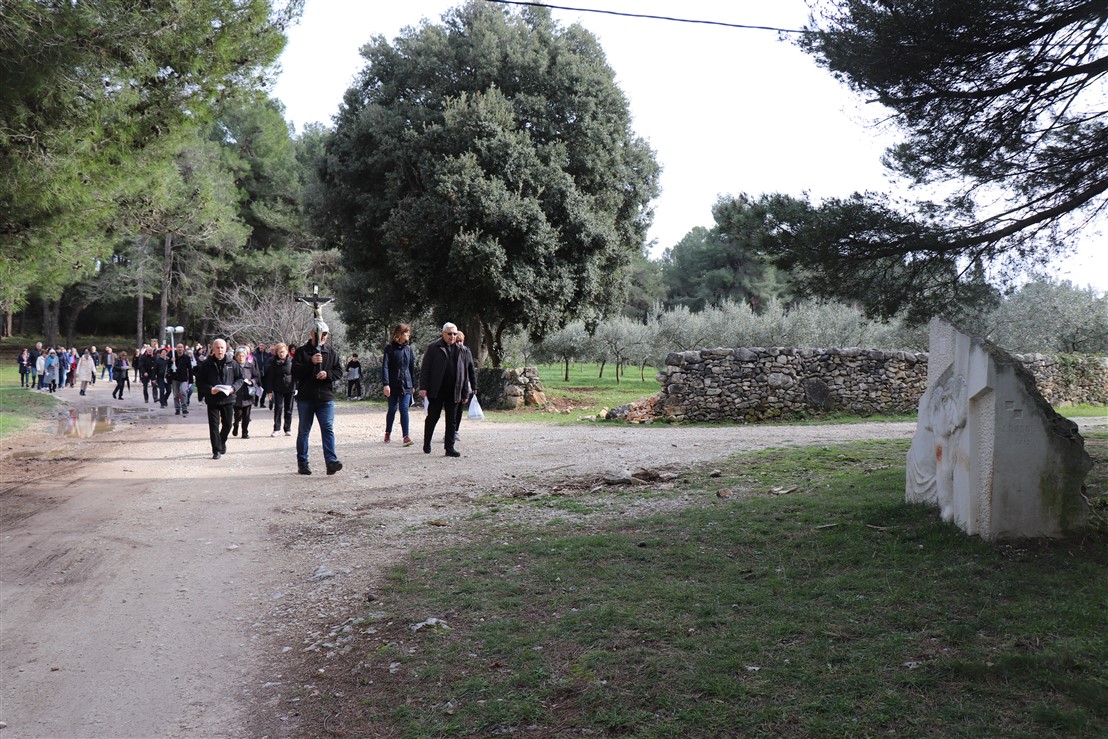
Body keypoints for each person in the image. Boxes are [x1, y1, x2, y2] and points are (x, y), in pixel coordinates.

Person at [292, 322, 343, 475]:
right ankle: (302, 463)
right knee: (304, 431)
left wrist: (328, 374)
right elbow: (295, 372)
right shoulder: (301, 352)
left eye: (325, 334)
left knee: (327, 428)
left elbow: (339, 371)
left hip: (325, 398)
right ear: (312, 334)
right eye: (320, 333)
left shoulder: (331, 352)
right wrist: (311, 362)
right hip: (306, 397)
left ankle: (331, 462)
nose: (323, 337)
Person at [418, 322, 468, 457]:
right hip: (437, 390)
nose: (452, 336)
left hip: (454, 390)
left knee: (452, 420)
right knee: (433, 417)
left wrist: (465, 392)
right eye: (450, 333)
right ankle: (427, 442)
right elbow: (425, 369)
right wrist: (423, 387)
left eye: (455, 334)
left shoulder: (461, 350)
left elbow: (464, 372)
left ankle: (449, 447)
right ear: (443, 333)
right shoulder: (433, 347)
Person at [196, 339, 243, 460]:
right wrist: (210, 389)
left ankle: (221, 441)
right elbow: (199, 382)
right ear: (213, 349)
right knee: (214, 426)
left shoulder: (232, 363)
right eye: (217, 348)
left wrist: (233, 388)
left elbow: (240, 378)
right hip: (213, 399)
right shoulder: (207, 364)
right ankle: (216, 450)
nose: (220, 350)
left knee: (228, 424)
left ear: (226, 349)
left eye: (222, 347)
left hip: (228, 398)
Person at [382, 323, 416, 446]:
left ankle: (406, 437)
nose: (408, 334)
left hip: (406, 385)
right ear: (399, 334)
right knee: (392, 409)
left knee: (404, 409)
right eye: (406, 332)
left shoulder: (409, 349)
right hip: (392, 385)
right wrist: (386, 384)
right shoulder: (389, 348)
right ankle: (388, 432)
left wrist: (413, 385)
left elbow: (411, 368)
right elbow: (385, 367)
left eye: (408, 332)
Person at [452, 330, 478, 444]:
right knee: (452, 410)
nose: (459, 343)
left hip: (463, 386)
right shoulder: (450, 352)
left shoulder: (467, 352)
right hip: (452, 386)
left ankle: (455, 431)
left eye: (461, 341)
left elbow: (471, 369)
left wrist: (474, 386)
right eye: (457, 341)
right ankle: (450, 431)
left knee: (459, 410)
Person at [266, 342, 295, 437]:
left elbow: (296, 375)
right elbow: (270, 377)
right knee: (278, 408)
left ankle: (287, 428)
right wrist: (269, 391)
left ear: (287, 351)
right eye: (279, 352)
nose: (281, 354)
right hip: (278, 388)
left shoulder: (292, 361)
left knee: (289, 409)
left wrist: (297, 387)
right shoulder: (273, 362)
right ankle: (276, 428)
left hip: (290, 388)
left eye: (283, 351)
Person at [231, 346, 258, 438]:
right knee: (238, 415)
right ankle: (236, 425)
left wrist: (252, 382)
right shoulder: (233, 366)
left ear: (246, 356)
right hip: (237, 395)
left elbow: (256, 377)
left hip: (248, 395)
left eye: (243, 356)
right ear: (236, 357)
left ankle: (245, 432)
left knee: (246, 416)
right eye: (239, 356)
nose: (241, 357)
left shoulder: (250, 366)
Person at [169, 343, 194, 416]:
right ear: (176, 348)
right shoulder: (173, 356)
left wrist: (191, 380)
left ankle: (184, 408)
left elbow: (190, 369)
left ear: (183, 348)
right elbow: (168, 366)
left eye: (181, 347)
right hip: (175, 378)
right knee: (176, 394)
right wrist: (171, 361)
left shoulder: (186, 358)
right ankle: (177, 408)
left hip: (183, 378)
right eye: (178, 347)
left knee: (183, 392)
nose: (180, 349)